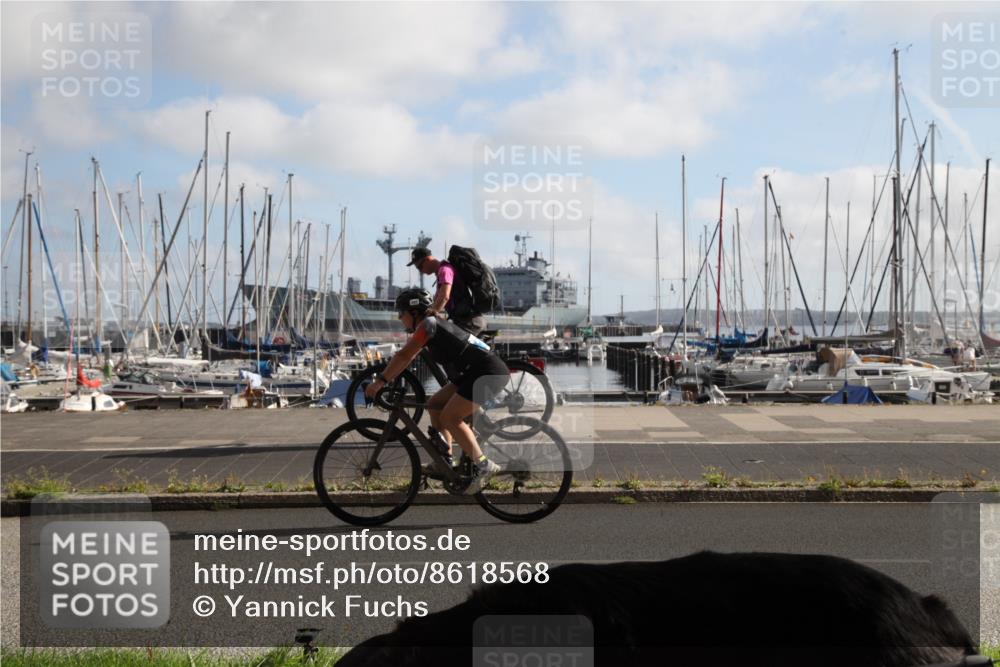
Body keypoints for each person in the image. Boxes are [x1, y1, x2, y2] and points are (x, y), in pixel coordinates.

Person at [364, 288, 505, 494]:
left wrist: (381, 381)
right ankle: (445, 460)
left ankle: (484, 465)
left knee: (451, 417)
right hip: (473, 372)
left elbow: (405, 356)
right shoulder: (431, 325)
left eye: (400, 314)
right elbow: (407, 357)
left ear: (413, 312)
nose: (399, 319)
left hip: (487, 372)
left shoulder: (428, 325)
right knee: (434, 405)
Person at [407, 247, 486, 336]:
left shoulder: (445, 270)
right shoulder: (441, 273)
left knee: (447, 346)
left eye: (419, 267)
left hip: (470, 322)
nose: (420, 271)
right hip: (464, 321)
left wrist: (430, 316)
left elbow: (444, 296)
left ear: (427, 260)